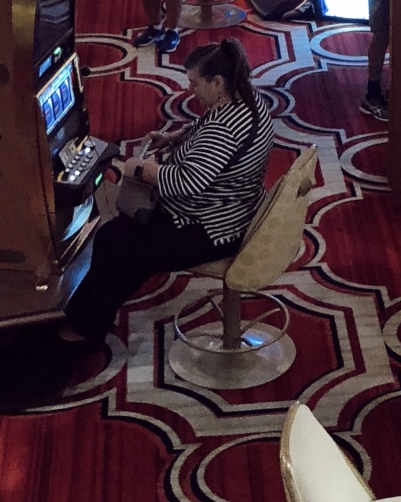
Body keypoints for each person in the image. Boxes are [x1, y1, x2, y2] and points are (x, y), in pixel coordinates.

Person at [58, 37, 274, 349]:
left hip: (213, 228)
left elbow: (187, 182)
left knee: (112, 240)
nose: (191, 90)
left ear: (218, 82)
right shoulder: (246, 99)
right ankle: (94, 311)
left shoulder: (225, 129)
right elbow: (206, 127)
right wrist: (174, 138)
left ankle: (86, 328)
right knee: (128, 241)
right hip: (234, 209)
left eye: (195, 83)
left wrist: (141, 170)